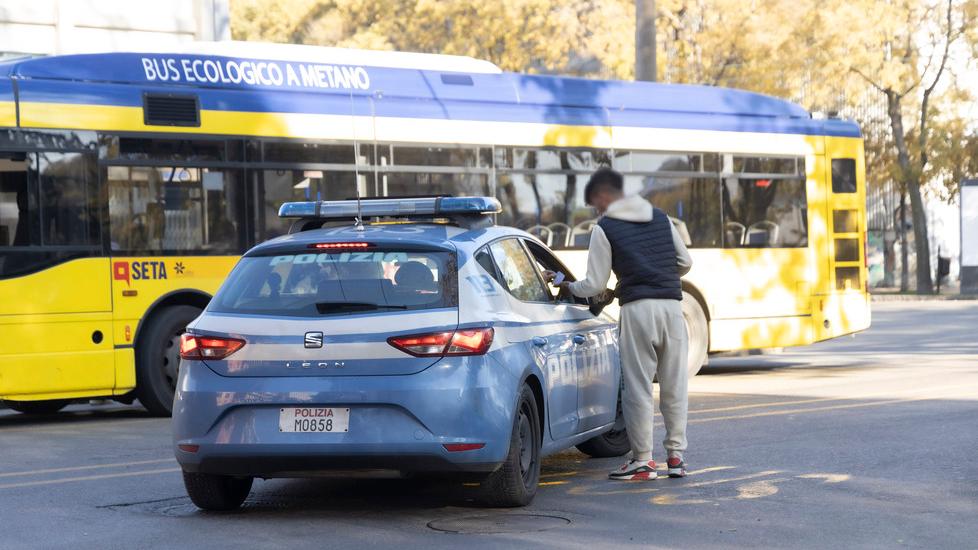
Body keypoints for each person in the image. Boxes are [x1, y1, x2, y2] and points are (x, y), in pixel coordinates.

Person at [547, 167, 693, 481]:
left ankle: (643, 461)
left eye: (596, 202)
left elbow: (594, 283)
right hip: (672, 306)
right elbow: (686, 263)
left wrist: (567, 286)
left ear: (605, 196)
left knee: (638, 387)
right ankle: (676, 457)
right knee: (674, 384)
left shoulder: (606, 228)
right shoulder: (660, 218)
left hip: (638, 309)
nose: (596, 209)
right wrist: (659, 275)